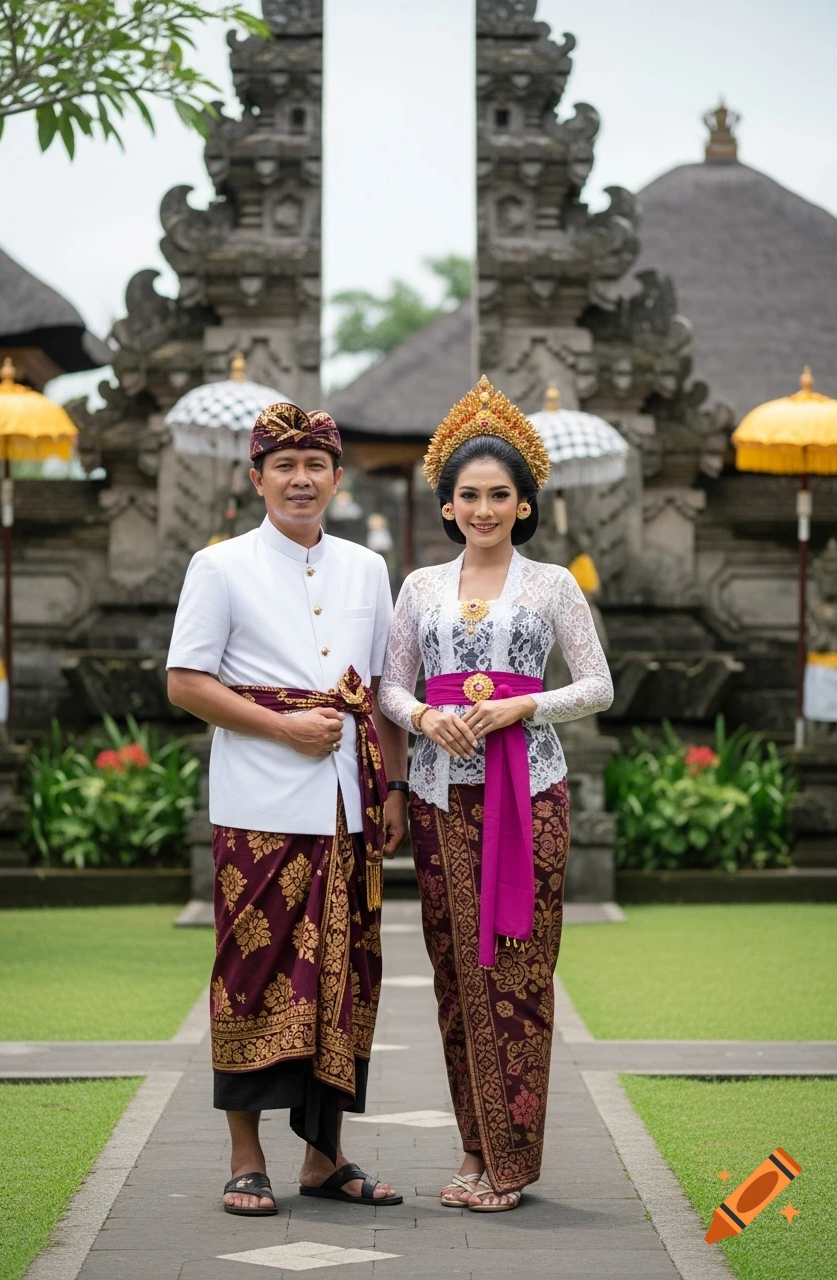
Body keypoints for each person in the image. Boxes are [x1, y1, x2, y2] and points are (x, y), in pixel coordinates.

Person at [378, 375, 613, 1212]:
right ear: (446, 506)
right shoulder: (419, 589)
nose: (482, 508)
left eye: (498, 495)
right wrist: (425, 719)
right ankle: (475, 1153)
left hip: (532, 791)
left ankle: (513, 1163)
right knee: (455, 973)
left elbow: (596, 686)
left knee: (519, 969)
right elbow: (389, 689)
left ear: (524, 505)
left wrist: (522, 703)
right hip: (444, 795)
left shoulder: (552, 586)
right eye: (467, 495)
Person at [167, 402, 408, 1217]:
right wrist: (282, 727)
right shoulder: (220, 566)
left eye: (315, 466)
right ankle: (245, 1158)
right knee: (251, 972)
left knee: (346, 977)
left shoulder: (369, 569)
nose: (300, 480)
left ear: (338, 479)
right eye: (284, 466)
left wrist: (397, 789)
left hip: (349, 807)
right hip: (258, 806)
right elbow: (186, 681)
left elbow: (377, 696)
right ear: (257, 478)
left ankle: (325, 1157)